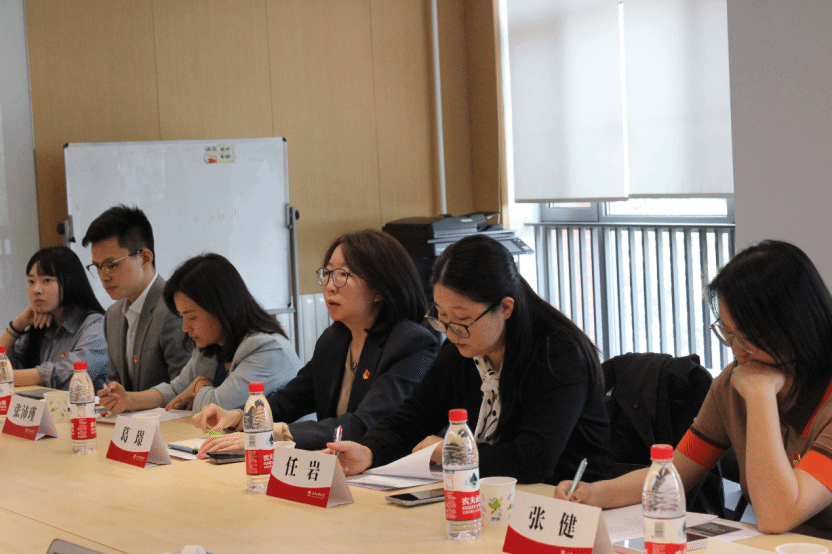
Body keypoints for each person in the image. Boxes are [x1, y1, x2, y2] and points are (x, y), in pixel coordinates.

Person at [554, 240, 832, 535]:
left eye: (747, 337)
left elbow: (777, 515)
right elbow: (676, 470)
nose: (736, 351)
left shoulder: (755, 386)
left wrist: (760, 397)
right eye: (728, 333)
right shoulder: (735, 383)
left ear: (795, 325)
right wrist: (595, 493)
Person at [328, 234, 613, 485]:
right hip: (490, 494)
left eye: (462, 319)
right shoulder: (462, 351)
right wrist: (369, 451)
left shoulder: (557, 354)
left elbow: (533, 460)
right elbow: (411, 419)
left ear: (505, 308)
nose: (450, 332)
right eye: (442, 316)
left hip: (566, 502)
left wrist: (453, 451)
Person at [191, 229, 438, 452]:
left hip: (390, 469)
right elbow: (290, 400)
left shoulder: (411, 344)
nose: (330, 286)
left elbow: (364, 423)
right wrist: (238, 417)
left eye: (342, 275)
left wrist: (273, 434)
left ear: (379, 289)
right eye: (327, 273)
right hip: (337, 464)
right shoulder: (334, 340)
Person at [98, 253, 300, 414]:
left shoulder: (266, 349)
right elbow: (176, 390)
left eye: (192, 317)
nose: (185, 328)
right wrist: (129, 400)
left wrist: (199, 388)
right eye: (182, 317)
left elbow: (219, 406)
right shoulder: (211, 348)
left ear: (221, 308)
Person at [82, 205, 190, 391]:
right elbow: (117, 385)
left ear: (145, 258)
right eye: (98, 267)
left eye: (111, 265)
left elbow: (184, 391)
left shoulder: (174, 309)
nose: (104, 276)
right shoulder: (113, 315)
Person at [1, 246, 108, 390]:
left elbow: (70, 375)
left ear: (70, 282)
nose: (36, 290)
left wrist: (6, 376)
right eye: (31, 281)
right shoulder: (41, 325)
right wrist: (18, 325)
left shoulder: (95, 325)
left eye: (46, 280)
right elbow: (5, 363)